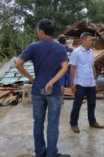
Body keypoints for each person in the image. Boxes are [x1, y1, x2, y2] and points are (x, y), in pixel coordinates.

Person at [16, 19, 70, 157]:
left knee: (38, 122)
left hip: (38, 89)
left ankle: (40, 153)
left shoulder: (33, 47)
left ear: (41, 31)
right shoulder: (60, 48)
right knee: (53, 124)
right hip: (55, 92)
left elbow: (18, 64)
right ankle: (51, 154)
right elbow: (65, 67)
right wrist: (52, 81)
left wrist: (31, 78)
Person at [69, 32, 104, 133]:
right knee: (77, 104)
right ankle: (74, 124)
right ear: (83, 40)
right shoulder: (76, 52)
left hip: (90, 83)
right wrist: (72, 84)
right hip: (80, 83)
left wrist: (95, 80)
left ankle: (92, 122)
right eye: (90, 40)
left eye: (92, 40)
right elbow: (72, 68)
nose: (92, 42)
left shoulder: (90, 52)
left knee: (92, 104)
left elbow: (92, 66)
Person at [58, 36, 73, 103]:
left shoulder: (57, 49)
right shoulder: (70, 50)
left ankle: (61, 98)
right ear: (65, 42)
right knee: (71, 83)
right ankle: (78, 97)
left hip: (60, 69)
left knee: (61, 84)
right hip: (69, 69)